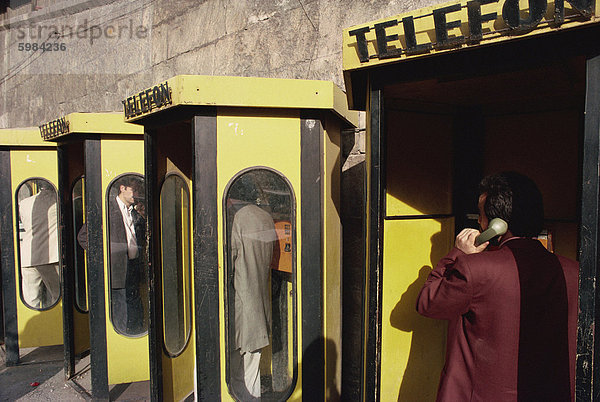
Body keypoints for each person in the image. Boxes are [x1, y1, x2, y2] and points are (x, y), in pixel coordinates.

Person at [416, 171, 578, 401]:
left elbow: (428, 303)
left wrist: (457, 255)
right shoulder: (575, 273)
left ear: (496, 225)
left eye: (480, 217)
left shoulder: (475, 270)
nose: (479, 223)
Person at [229, 177, 276, 400]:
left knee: (240, 365)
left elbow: (229, 260)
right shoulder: (266, 217)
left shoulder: (237, 218)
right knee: (253, 363)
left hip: (241, 301)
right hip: (260, 301)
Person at [108, 176, 146, 335]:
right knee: (121, 306)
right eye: (133, 190)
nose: (136, 194)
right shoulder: (109, 209)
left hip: (134, 265)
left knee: (134, 303)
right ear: (122, 188)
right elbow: (84, 236)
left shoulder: (134, 212)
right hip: (117, 267)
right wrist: (107, 257)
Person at [18, 183, 60, 309]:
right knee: (57, 297)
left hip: (28, 256)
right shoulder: (57, 201)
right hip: (50, 257)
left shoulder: (24, 203)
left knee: (30, 300)